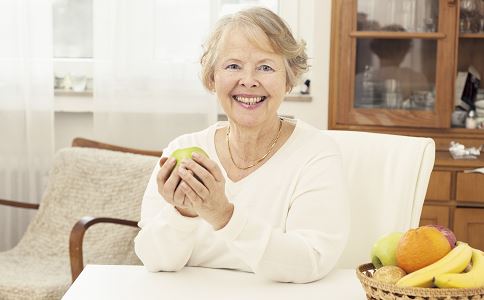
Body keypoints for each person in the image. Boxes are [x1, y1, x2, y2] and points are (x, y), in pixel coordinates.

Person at [134, 7, 350, 283]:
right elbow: (154, 260)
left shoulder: (316, 154)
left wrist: (223, 214)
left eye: (265, 67)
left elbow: (310, 261)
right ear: (212, 78)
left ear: (289, 79)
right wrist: (183, 212)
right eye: (233, 66)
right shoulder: (183, 148)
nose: (248, 81)